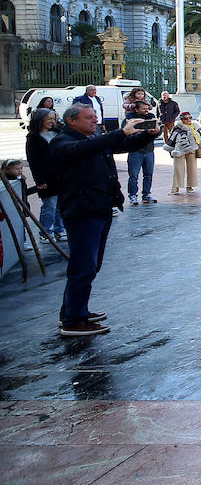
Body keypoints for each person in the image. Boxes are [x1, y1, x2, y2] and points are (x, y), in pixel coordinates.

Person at [48, 105, 158, 336]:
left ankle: (74, 310)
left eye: (95, 117)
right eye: (89, 118)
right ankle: (73, 320)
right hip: (82, 211)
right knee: (83, 267)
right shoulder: (63, 142)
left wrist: (147, 135)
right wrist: (119, 134)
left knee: (90, 265)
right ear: (71, 121)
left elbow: (120, 145)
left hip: (99, 208)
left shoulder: (93, 138)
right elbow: (83, 149)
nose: (94, 121)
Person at [24, 108, 66, 241]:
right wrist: (40, 180)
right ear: (40, 120)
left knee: (61, 205)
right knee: (50, 205)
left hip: (62, 175)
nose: (52, 121)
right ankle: (45, 232)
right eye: (49, 119)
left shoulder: (58, 133)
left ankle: (60, 229)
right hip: (47, 178)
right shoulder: (33, 138)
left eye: (53, 119)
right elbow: (34, 161)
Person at [165, 111, 201, 195]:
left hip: (192, 149)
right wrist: (171, 150)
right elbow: (172, 139)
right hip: (179, 150)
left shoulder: (195, 127)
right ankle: (175, 187)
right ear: (182, 119)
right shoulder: (177, 128)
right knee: (178, 169)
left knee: (192, 168)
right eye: (186, 118)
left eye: (190, 118)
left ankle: (190, 186)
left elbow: (200, 137)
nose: (188, 120)